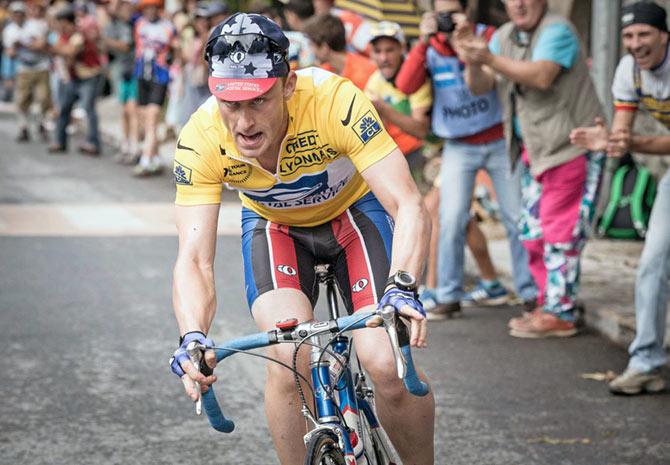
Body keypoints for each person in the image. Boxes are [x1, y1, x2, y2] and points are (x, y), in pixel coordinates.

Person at [168, 13, 434, 465]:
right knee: (289, 358)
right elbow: (194, 258)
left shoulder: (334, 100)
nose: (244, 122)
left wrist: (403, 287)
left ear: (288, 84)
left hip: (353, 214)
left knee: (386, 364)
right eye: (230, 104)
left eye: (259, 101)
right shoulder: (201, 136)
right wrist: (192, 335)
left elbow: (408, 204)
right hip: (276, 228)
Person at [456, 0, 605, 337]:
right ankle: (547, 303)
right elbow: (479, 86)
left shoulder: (557, 30)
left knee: (559, 233)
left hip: (572, 145)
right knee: (532, 232)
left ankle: (560, 312)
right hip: (534, 151)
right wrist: (472, 57)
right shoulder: (505, 35)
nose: (519, 4)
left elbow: (541, 75)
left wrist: (488, 57)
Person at [395, 0, 536, 319]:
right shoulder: (429, 47)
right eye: (441, 14)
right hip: (457, 144)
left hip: (498, 138)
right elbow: (405, 85)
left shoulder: (487, 36)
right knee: (451, 217)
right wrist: (421, 42)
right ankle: (448, 295)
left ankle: (530, 293)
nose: (447, 21)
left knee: (516, 217)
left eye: (452, 13)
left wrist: (467, 39)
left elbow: (486, 80)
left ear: (467, 11)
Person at [570, 1, 669, 394]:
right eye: (628, 36)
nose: (635, 43)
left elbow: (638, 140)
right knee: (652, 261)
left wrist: (631, 141)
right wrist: (608, 142)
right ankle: (646, 362)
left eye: (643, 34)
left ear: (664, 35)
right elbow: (623, 138)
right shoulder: (629, 70)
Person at [364, 21, 431, 173]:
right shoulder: (374, 81)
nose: (383, 58)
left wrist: (383, 108)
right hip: (396, 155)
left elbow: (421, 131)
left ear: (402, 48)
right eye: (377, 51)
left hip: (427, 150)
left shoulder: (416, 76)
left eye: (389, 50)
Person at [49, 5, 103, 155]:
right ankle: (60, 141)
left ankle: (93, 143)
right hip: (73, 78)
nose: (60, 26)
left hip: (89, 76)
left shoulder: (79, 35)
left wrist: (49, 47)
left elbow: (70, 52)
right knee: (64, 108)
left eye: (62, 23)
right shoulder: (64, 36)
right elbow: (61, 51)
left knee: (88, 109)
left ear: (69, 22)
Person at [132, 0, 177, 175]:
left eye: (153, 8)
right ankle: (156, 157)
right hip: (142, 74)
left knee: (152, 121)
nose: (150, 11)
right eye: (146, 8)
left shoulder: (167, 27)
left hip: (159, 76)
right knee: (144, 120)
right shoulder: (139, 24)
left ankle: (145, 161)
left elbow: (174, 50)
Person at [3, 1, 51, 143]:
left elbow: (42, 44)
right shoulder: (9, 30)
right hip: (23, 68)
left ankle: (41, 123)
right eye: (15, 14)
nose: (18, 16)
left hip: (41, 66)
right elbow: (9, 52)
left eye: (20, 14)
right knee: (22, 100)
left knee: (43, 98)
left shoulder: (35, 26)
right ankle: (23, 127)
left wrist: (23, 44)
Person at [103, 0, 141, 164]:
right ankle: (126, 145)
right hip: (119, 70)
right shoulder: (111, 25)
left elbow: (125, 46)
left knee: (132, 109)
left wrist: (106, 41)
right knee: (123, 110)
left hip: (133, 70)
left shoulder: (133, 24)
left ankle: (134, 146)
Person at [302, 13, 375, 90]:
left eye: (311, 44)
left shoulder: (365, 73)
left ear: (324, 48)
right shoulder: (324, 70)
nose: (310, 49)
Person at [282, 0, 316, 70]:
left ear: (293, 15)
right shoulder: (320, 33)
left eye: (287, 16)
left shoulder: (293, 39)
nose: (287, 20)